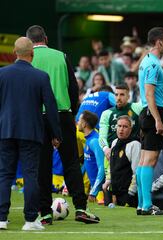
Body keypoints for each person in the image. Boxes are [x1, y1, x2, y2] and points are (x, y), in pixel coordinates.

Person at [26, 25, 100, 224]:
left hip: (37, 116)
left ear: (28, 41)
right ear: (46, 38)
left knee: (43, 165)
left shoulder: (27, 57)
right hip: (63, 115)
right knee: (71, 163)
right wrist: (72, 113)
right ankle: (81, 208)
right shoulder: (61, 55)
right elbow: (73, 87)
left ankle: (45, 213)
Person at [0, 37, 61, 231]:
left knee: (4, 175)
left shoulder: (2, 74)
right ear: (32, 54)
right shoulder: (41, 77)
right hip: (31, 132)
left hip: (5, 131)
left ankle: (1, 219)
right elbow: (51, 108)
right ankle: (30, 220)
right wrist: (56, 134)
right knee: (30, 176)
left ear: (14, 52)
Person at [137, 27, 163, 215]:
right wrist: (158, 119)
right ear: (159, 42)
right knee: (150, 160)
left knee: (144, 160)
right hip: (153, 112)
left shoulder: (146, 61)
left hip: (147, 112)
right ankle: (147, 205)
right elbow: (150, 94)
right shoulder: (153, 64)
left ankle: (142, 204)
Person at [102, 115, 141, 207]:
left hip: (128, 194)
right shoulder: (114, 142)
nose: (121, 129)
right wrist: (108, 181)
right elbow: (112, 165)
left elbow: (137, 172)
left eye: (125, 127)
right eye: (119, 126)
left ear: (131, 129)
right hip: (115, 192)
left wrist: (131, 193)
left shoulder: (135, 145)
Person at [99, 84, 141, 161]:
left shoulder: (137, 108)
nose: (118, 98)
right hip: (113, 153)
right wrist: (106, 149)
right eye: (116, 95)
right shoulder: (106, 113)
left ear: (128, 97)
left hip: (133, 151)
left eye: (122, 95)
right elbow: (102, 137)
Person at [78, 111, 105, 203]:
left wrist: (94, 192)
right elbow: (86, 163)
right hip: (96, 190)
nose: (77, 122)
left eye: (79, 120)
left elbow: (102, 168)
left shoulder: (94, 141)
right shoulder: (88, 139)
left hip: (101, 192)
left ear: (84, 123)